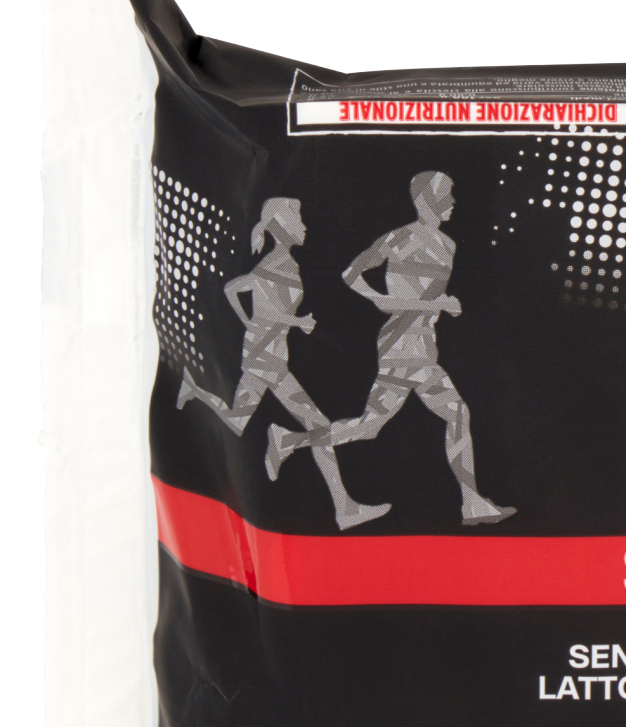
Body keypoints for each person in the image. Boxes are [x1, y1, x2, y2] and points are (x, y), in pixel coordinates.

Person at [267, 172, 514, 526]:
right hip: (401, 348)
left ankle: (289, 441)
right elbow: (352, 273)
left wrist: (432, 306)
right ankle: (471, 503)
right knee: (451, 414)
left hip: (421, 347)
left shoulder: (448, 246)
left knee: (375, 426)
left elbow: (422, 299)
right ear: (425, 200)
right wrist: (385, 299)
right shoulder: (398, 240)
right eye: (445, 195)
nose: (452, 202)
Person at [178, 197, 390, 530]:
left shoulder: (280, 262)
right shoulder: (279, 264)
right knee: (312, 424)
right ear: (281, 225)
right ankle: (343, 505)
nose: (303, 226)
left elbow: (236, 289)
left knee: (243, 421)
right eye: (298, 220)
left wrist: (253, 321)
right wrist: (295, 322)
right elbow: (260, 307)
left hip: (268, 358)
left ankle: (195, 389)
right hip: (266, 360)